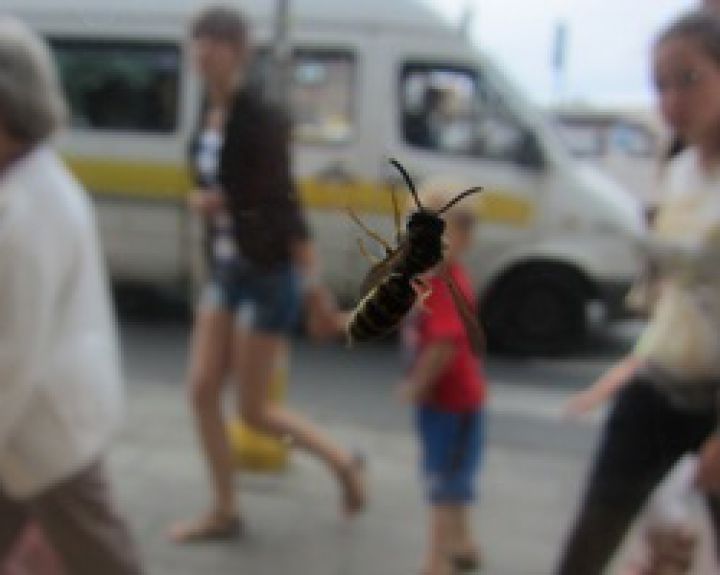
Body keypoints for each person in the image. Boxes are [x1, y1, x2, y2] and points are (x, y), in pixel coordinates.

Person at [169, 5, 366, 542]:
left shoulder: (262, 117)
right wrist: (208, 202)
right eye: (198, 40)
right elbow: (222, 187)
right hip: (227, 269)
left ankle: (342, 462)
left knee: (254, 411)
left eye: (217, 40)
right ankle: (225, 508)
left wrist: (314, 290)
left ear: (239, 51)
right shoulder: (207, 115)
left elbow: (285, 208)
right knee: (201, 390)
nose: (204, 50)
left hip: (267, 273)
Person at [556, 10, 720, 574]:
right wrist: (626, 370)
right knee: (591, 542)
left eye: (689, 79)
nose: (672, 100)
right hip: (659, 385)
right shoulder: (678, 175)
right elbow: (680, 303)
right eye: (661, 85)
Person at [0, 17, 142, 575]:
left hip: (45, 432)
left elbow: (11, 352)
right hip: (36, 424)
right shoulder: (36, 181)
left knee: (105, 560)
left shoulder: (24, 212)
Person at [398, 181, 487, 575]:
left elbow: (446, 346)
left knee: (443, 490)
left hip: (454, 407)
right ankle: (463, 549)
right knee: (448, 484)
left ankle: (439, 564)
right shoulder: (433, 281)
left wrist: (416, 384)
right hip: (442, 407)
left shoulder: (448, 288)